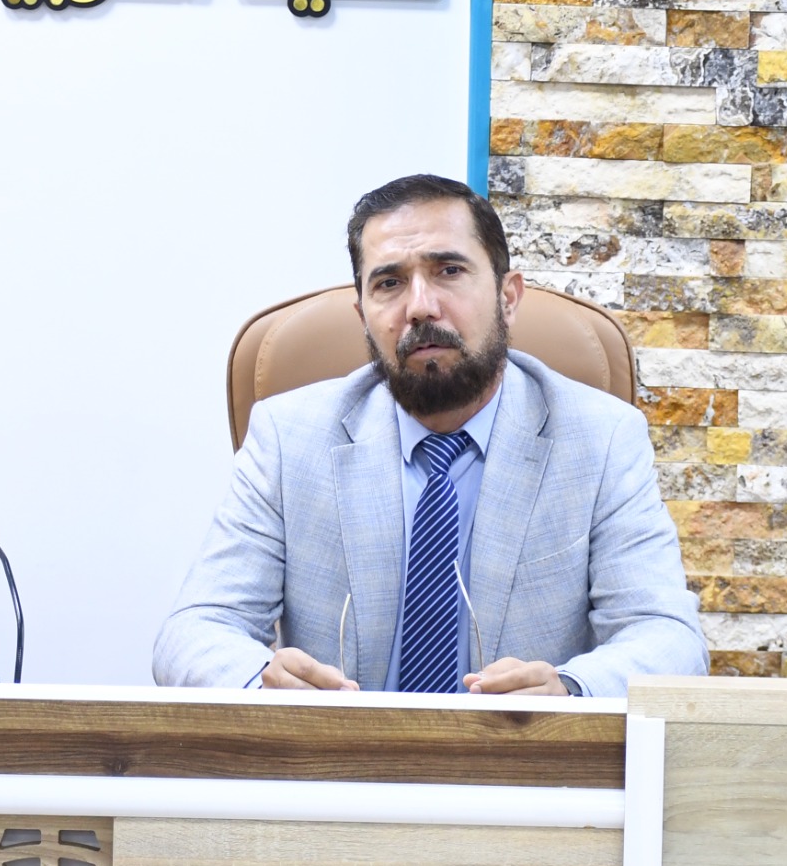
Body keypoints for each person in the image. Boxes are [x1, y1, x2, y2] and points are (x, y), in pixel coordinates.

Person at [154, 174, 706, 696]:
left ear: (508, 298)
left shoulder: (601, 439)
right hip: (338, 755)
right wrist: (262, 683)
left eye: (449, 271)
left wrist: (570, 687)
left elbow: (669, 638)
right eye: (389, 283)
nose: (420, 306)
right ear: (363, 315)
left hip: (518, 754)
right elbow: (194, 630)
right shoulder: (288, 438)